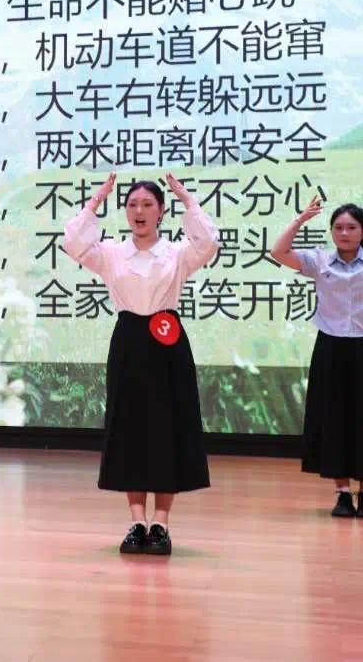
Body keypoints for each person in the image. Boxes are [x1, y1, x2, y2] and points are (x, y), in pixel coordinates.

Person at [61, 172, 218, 556]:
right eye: (132, 205)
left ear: (161, 211)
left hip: (168, 344)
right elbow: (72, 243)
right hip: (129, 344)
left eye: (148, 204)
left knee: (168, 431)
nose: (139, 211)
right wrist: (95, 201)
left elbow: (209, 241)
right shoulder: (111, 253)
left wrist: (188, 200)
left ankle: (161, 523)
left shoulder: (178, 254)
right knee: (130, 430)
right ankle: (136, 522)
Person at [270, 195, 363, 519]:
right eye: (338, 227)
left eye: (352, 227)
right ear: (331, 231)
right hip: (331, 347)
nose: (344, 233)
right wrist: (300, 219)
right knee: (333, 418)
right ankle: (341, 492)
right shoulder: (319, 261)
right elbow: (279, 252)